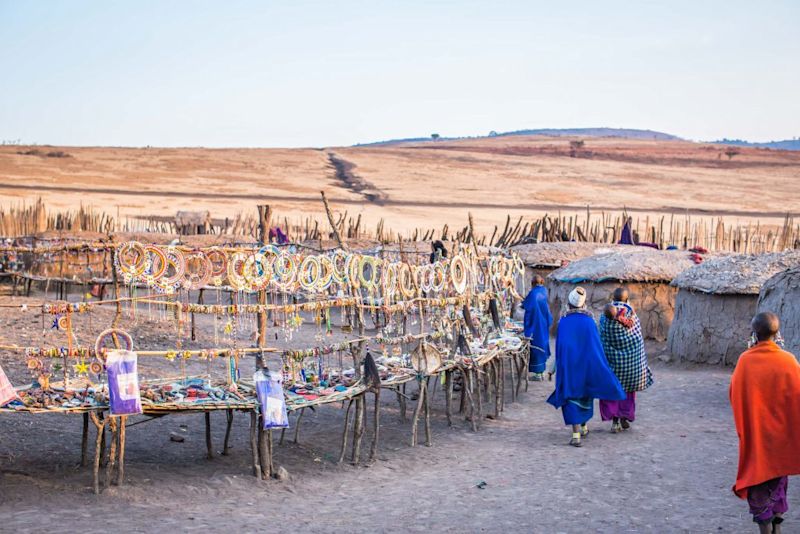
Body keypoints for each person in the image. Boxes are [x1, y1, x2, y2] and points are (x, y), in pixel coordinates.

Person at [730, 312, 800, 533]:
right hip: (782, 440)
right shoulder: (788, 361)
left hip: (757, 436)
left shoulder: (745, 360)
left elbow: (735, 395)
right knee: (779, 480)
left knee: (758, 481)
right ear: (776, 333)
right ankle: (776, 525)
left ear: (754, 333)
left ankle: (766, 529)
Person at [546, 287, 626, 447]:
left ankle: (576, 434)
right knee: (584, 396)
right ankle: (583, 426)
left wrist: (553, 368)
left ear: (569, 303)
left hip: (569, 369)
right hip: (586, 367)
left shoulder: (564, 322)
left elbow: (560, 348)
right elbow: (596, 347)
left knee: (572, 397)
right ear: (583, 305)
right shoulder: (589, 322)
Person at [599, 288, 653, 433]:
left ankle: (615, 421)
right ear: (626, 299)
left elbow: (601, 338)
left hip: (612, 362)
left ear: (613, 298)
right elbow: (637, 338)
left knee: (614, 388)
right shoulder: (632, 315)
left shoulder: (605, 316)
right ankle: (624, 417)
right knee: (628, 390)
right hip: (630, 364)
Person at [521, 275, 553, 381]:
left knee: (535, 346)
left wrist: (522, 304)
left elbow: (527, 305)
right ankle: (540, 372)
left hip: (535, 325)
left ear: (533, 283)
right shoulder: (544, 291)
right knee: (542, 345)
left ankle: (538, 374)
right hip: (543, 323)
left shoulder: (533, 293)